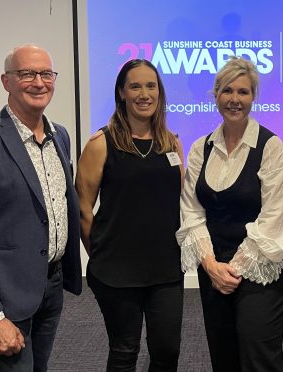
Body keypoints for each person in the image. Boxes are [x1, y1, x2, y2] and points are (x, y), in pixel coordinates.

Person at [176, 56, 283, 372]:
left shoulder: (271, 147)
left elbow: (276, 218)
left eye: (243, 92)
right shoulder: (200, 148)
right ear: (216, 95)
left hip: (258, 266)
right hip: (213, 266)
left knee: (258, 354)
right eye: (227, 91)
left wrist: (233, 268)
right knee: (223, 352)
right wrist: (211, 265)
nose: (235, 99)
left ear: (252, 97)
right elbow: (192, 210)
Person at [0, 43, 82, 371]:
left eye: (46, 73)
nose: (39, 82)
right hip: (5, 296)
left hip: (51, 287)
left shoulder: (61, 135)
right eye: (27, 73)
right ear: (6, 82)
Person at [75, 59, 184, 371]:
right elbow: (83, 209)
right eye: (135, 86)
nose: (144, 93)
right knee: (125, 351)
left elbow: (180, 200)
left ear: (159, 93)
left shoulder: (171, 143)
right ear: (122, 92)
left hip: (166, 269)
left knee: (167, 351)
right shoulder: (101, 143)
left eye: (151, 86)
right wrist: (99, 255)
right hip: (117, 271)